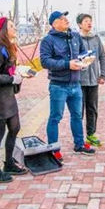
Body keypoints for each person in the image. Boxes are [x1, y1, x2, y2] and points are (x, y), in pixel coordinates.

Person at [39, 11, 96, 162]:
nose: (65, 20)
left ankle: (79, 144)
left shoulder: (75, 36)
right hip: (58, 85)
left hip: (75, 84)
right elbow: (44, 62)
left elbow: (82, 53)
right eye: (61, 18)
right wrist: (67, 64)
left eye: (65, 18)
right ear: (54, 23)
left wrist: (86, 60)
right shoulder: (48, 40)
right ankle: (53, 149)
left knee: (77, 115)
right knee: (55, 117)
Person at [0, 17, 28, 183]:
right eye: (11, 26)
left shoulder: (9, 48)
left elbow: (8, 71)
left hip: (7, 96)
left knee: (15, 128)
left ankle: (9, 162)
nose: (14, 28)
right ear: (3, 30)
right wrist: (12, 80)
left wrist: (18, 75)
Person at [76, 13, 105, 147]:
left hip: (94, 80)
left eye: (90, 21)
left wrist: (103, 74)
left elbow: (102, 56)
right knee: (79, 110)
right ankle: (79, 137)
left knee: (92, 108)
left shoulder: (96, 38)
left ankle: (91, 134)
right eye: (86, 21)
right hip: (79, 80)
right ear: (79, 24)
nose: (89, 23)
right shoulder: (75, 38)